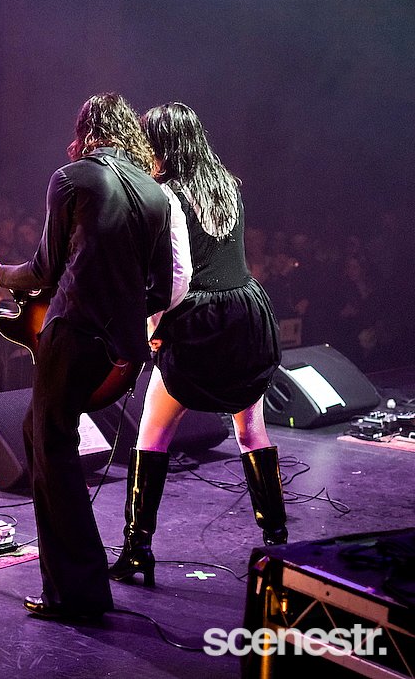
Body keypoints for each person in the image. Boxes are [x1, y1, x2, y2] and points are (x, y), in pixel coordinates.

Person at [0, 93, 174, 621]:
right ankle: (81, 579)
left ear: (86, 132)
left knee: (51, 446)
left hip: (74, 335)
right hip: (122, 350)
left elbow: (43, 268)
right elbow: (159, 288)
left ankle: (77, 592)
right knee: (42, 437)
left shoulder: (73, 178)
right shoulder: (155, 193)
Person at [109, 102, 286, 587]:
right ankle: (279, 541)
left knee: (151, 437)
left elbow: (175, 278)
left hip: (198, 321)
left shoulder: (166, 195)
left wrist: (153, 329)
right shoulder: (228, 185)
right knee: (252, 431)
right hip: (244, 315)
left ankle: (137, 549)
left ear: (162, 145)